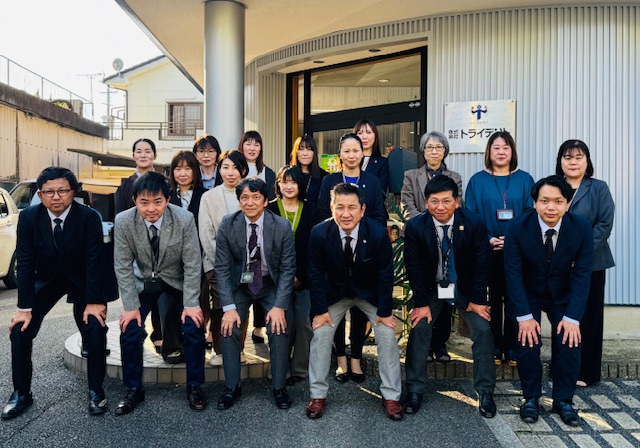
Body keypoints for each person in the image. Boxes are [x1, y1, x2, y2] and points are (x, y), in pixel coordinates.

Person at [2, 167, 108, 419]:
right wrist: (24, 308)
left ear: (73, 192)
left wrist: (94, 301)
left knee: (95, 327)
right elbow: (25, 263)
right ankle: (21, 393)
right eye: (49, 192)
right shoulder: (29, 218)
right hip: (47, 279)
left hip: (83, 279)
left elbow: (95, 261)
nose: (56, 197)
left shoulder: (89, 217)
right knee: (20, 330)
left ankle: (96, 391)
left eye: (62, 190)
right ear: (40, 194)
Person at [306, 182, 403, 420]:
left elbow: (385, 274)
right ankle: (317, 395)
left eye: (352, 207)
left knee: (387, 334)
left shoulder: (377, 232)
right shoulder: (319, 233)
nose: (346, 213)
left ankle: (391, 396)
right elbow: (315, 274)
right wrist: (320, 310)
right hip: (335, 294)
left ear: (363, 209)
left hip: (369, 293)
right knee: (321, 334)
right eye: (340, 207)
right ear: (331, 207)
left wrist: (384, 311)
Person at [113, 172, 206, 415]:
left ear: (168, 200)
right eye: (144, 202)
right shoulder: (123, 221)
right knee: (130, 329)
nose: (151, 209)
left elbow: (192, 263)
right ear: (134, 200)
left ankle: (194, 386)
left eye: (157, 202)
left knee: (194, 326)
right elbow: (122, 266)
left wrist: (191, 304)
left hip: (177, 280)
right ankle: (134, 388)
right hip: (144, 282)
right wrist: (130, 307)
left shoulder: (184, 218)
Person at [403, 176, 496, 418]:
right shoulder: (416, 227)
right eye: (434, 201)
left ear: (456, 201)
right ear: (426, 203)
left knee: (482, 330)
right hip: (432, 288)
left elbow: (483, 263)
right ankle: (414, 389)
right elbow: (413, 268)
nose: (440, 207)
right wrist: (421, 303)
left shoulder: (473, 222)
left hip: (465, 289)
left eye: (446, 201)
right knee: (420, 327)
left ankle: (485, 391)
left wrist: (477, 300)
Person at [504, 175, 593, 427]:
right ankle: (530, 397)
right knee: (527, 339)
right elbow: (513, 273)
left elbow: (582, 275)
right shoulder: (517, 227)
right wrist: (524, 316)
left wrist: (573, 317)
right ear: (534, 203)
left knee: (570, 339)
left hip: (562, 293)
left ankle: (563, 400)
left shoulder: (581, 228)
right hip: (528, 292)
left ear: (567, 203)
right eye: (544, 201)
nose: (551, 207)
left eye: (558, 201)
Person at [215, 177, 296, 410]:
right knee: (228, 327)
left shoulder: (281, 226)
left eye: (255, 197)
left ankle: (279, 387)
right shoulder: (228, 224)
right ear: (239, 200)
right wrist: (228, 308)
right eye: (244, 198)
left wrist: (279, 307)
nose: (250, 202)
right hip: (240, 285)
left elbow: (288, 269)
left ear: (265, 200)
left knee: (278, 327)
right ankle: (232, 387)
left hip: (269, 284)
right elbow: (221, 268)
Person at [317, 133, 386, 384]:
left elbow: (378, 215)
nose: (351, 155)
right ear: (340, 155)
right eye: (346, 151)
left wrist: (363, 235)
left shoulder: (372, 181)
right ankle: (341, 360)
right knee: (335, 303)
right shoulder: (329, 181)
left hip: (364, 252)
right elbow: (323, 213)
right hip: (335, 251)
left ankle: (356, 357)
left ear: (362, 153)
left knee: (359, 306)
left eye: (355, 150)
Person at [466, 131, 534, 366]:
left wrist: (514, 240)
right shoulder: (477, 181)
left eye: (506, 147)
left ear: (512, 151)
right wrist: (487, 239)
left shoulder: (525, 179)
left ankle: (513, 346)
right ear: (489, 151)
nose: (501, 152)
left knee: (515, 297)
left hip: (517, 251)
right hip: (487, 250)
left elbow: (531, 214)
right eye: (496, 147)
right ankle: (494, 346)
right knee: (492, 299)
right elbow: (471, 216)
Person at [400, 131, 464, 363]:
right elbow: (406, 204)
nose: (434, 151)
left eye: (438, 147)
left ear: (445, 151)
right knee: (421, 289)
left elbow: (456, 205)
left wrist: (439, 223)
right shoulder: (411, 175)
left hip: (447, 239)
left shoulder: (454, 177)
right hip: (418, 239)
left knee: (445, 295)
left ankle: (440, 344)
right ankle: (422, 344)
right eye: (429, 147)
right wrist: (425, 226)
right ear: (423, 151)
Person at [555, 139, 614, 387]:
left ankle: (586, 372)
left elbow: (604, 224)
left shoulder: (598, 188)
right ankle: (562, 368)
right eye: (567, 157)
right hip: (558, 264)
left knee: (589, 317)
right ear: (560, 161)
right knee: (561, 315)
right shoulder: (553, 186)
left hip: (591, 264)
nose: (573, 162)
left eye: (579, 157)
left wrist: (580, 254)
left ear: (587, 161)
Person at [267, 165, 322, 386]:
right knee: (282, 325)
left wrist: (300, 276)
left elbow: (315, 249)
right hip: (275, 280)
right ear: (278, 184)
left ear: (301, 185)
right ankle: (279, 370)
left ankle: (300, 368)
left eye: (294, 182)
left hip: (304, 279)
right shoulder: (269, 209)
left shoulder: (312, 210)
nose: (289, 186)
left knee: (302, 323)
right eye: (284, 182)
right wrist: (283, 277)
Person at [199, 150, 249, 366]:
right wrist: (222, 264)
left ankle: (239, 348)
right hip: (216, 264)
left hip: (247, 264)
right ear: (219, 170)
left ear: (243, 170)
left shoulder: (250, 193)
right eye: (226, 167)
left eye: (236, 168)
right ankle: (219, 351)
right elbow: (206, 233)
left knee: (243, 302)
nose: (231, 173)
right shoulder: (209, 197)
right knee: (220, 305)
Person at [114, 138, 163, 353]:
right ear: (133, 155)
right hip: (134, 243)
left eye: (148, 151)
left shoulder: (163, 182)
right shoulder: (126, 184)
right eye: (139, 151)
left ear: (154, 155)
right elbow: (120, 215)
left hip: (160, 242)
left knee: (161, 289)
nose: (143, 155)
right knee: (137, 289)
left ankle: (159, 334)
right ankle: (138, 327)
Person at [166, 150, 208, 362]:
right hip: (170, 258)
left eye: (187, 168)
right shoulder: (166, 196)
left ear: (195, 171)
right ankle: (173, 345)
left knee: (195, 302)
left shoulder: (205, 195)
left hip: (197, 256)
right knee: (172, 302)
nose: (182, 173)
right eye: (178, 168)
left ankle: (195, 345)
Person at [238, 130, 274, 341]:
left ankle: (259, 326)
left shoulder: (268, 173)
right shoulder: (235, 170)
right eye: (248, 143)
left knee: (261, 274)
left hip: (261, 229)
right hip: (240, 229)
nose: (252, 148)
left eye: (256, 144)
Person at [354, 118, 389, 194]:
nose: (364, 137)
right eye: (360, 133)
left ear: (375, 136)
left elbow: (381, 193)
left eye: (368, 132)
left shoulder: (382, 163)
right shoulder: (349, 160)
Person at [289, 134, 328, 204]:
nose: (305, 153)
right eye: (301, 149)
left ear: (314, 153)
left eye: (309, 149)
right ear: (296, 152)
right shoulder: (288, 173)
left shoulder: (324, 176)